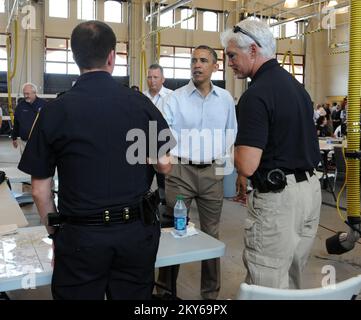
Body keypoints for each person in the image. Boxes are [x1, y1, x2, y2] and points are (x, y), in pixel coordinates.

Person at [18, 20, 173, 300]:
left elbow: (40, 191)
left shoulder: (54, 111)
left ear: (76, 58)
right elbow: (164, 165)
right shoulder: (141, 104)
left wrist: (56, 235)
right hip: (134, 234)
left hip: (80, 238)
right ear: (112, 57)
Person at [221, 19, 321, 289]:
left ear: (253, 50)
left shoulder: (256, 95)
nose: (228, 63)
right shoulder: (297, 88)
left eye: (232, 55)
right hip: (309, 193)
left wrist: (229, 145)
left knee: (266, 283)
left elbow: (248, 165)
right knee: (292, 276)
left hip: (280, 202)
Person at [159, 45, 237, 300]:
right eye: (193, 60)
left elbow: (231, 132)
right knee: (174, 230)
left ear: (216, 66)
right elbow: (160, 131)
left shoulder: (225, 98)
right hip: (181, 172)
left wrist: (222, 166)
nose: (197, 65)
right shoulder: (176, 97)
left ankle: (210, 295)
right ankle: (165, 292)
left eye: (203, 60)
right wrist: (166, 161)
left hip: (212, 173)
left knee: (211, 233)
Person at [143, 64, 173, 206]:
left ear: (163, 79)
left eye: (156, 77)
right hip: (144, 149)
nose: (152, 80)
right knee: (143, 184)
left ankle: (166, 212)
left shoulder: (172, 97)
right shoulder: (140, 98)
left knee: (165, 185)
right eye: (149, 77)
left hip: (164, 149)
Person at [11, 83, 46, 154]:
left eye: (27, 94)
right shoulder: (20, 106)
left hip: (39, 143)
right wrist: (14, 138)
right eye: (24, 94)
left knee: (38, 163)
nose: (26, 96)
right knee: (25, 164)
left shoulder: (44, 105)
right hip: (24, 142)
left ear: (34, 93)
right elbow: (16, 123)